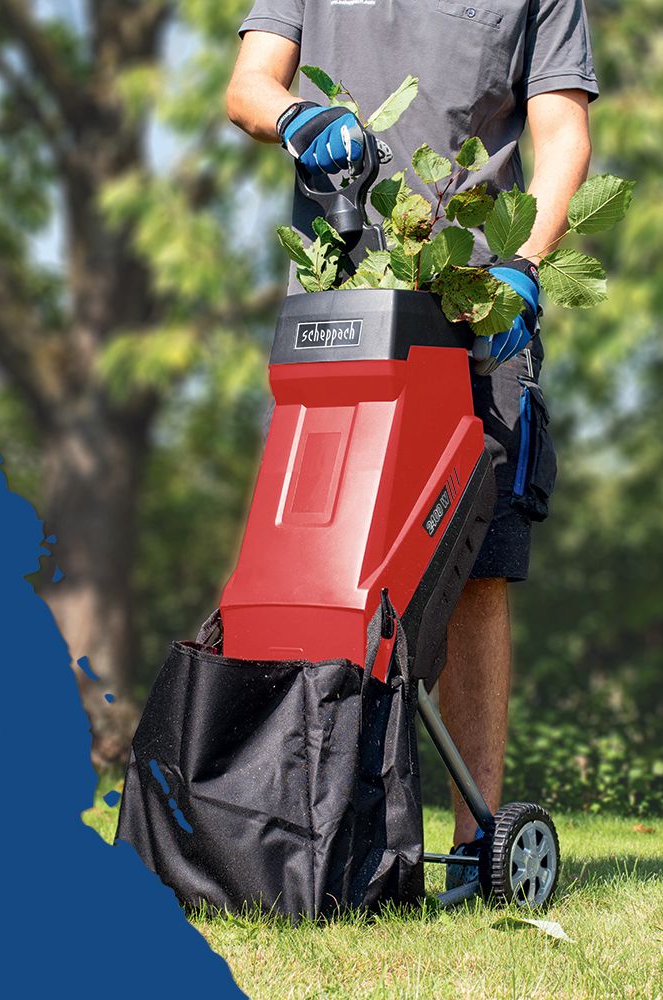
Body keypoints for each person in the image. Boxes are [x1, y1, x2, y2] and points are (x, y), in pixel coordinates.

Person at [224, 0, 597, 888]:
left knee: (478, 559)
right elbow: (249, 85)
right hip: (340, 300)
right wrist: (298, 117)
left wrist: (525, 264)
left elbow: (563, 135)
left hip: (478, 301)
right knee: (317, 558)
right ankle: (303, 826)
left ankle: (475, 850)